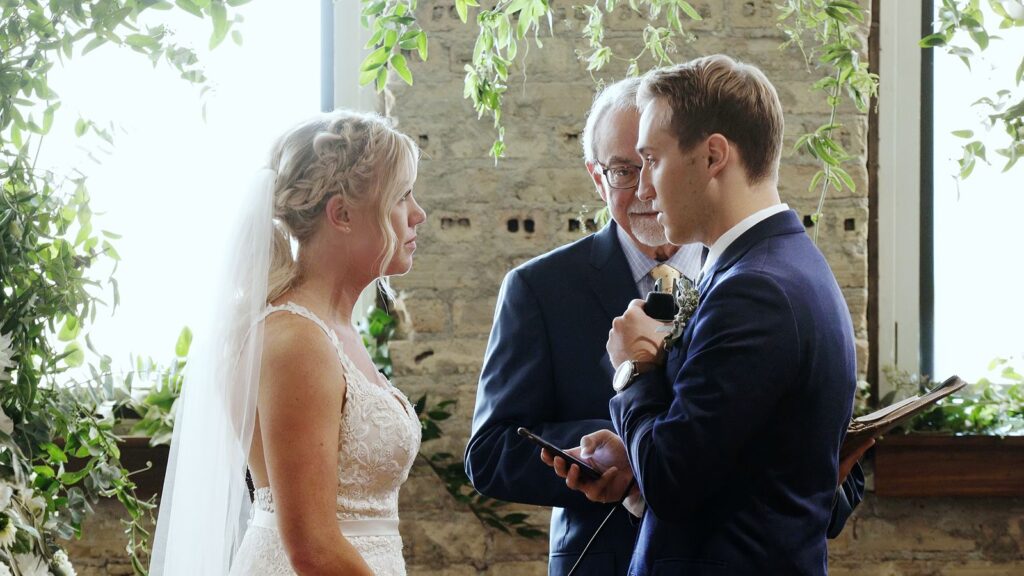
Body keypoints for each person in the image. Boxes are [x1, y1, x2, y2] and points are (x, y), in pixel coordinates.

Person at [467, 77, 865, 575]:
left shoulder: (751, 281)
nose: (644, 190)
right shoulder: (540, 287)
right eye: (623, 170)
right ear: (596, 177)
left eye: (652, 162)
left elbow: (798, 441)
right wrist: (610, 457)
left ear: (707, 159)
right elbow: (489, 452)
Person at [149, 111, 426, 575]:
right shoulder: (295, 340)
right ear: (341, 214)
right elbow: (313, 550)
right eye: (401, 196)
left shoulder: (329, 330)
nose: (418, 213)